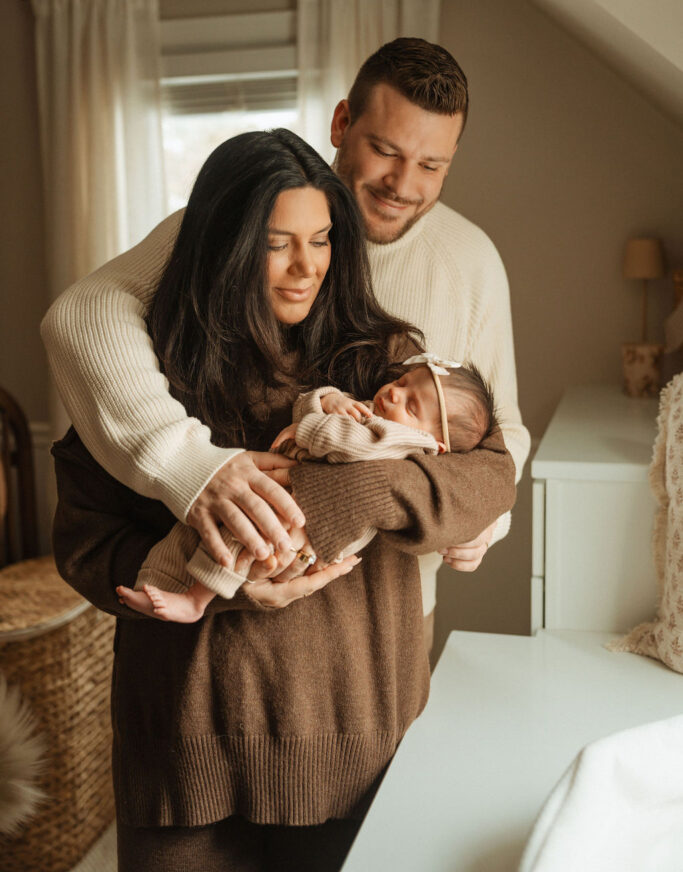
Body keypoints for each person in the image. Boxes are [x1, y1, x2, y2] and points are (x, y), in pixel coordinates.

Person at [50, 129, 514, 871]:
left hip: (350, 740)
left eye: (323, 239)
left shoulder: (384, 360)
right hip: (186, 744)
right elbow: (84, 546)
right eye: (277, 244)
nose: (307, 267)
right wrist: (218, 580)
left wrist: (348, 489)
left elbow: (488, 475)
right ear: (224, 245)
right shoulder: (140, 378)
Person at [41, 36, 530, 652]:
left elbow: (498, 432)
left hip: (382, 627)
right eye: (385, 150)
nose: (403, 184)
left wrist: (479, 517)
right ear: (342, 122)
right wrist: (192, 467)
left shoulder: (471, 261)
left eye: (432, 165)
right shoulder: (233, 228)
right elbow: (83, 314)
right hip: (215, 646)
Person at [117, 357, 498, 623]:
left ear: (436, 444)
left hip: (316, 520)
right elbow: (309, 408)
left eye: (411, 404)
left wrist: (309, 428)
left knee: (240, 536)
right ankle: (156, 584)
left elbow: (352, 445)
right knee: (199, 526)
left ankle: (195, 600)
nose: (394, 394)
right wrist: (327, 399)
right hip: (301, 494)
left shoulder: (405, 443)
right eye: (401, 382)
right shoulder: (381, 414)